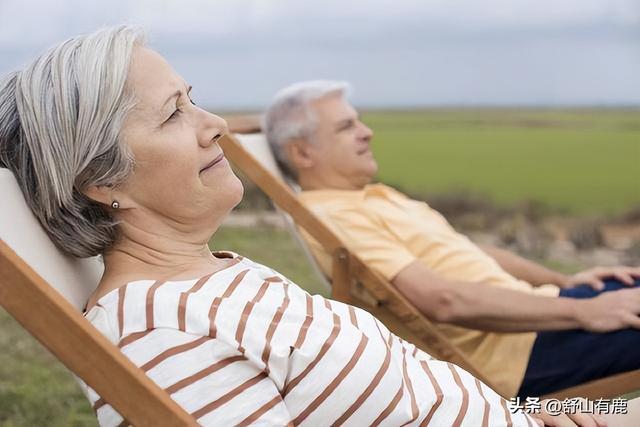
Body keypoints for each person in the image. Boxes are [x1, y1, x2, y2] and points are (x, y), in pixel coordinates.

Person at [0, 26, 561, 427]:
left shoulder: (213, 277)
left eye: (193, 100)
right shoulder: (162, 334)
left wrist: (538, 414)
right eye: (174, 113)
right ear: (99, 181)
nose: (216, 124)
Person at [264, 80, 640, 399]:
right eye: (346, 127)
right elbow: (442, 300)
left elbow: (467, 250)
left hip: (540, 313)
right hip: (519, 353)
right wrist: (586, 310)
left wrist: (565, 283)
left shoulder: (371, 197)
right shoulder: (337, 216)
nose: (367, 131)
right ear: (302, 152)